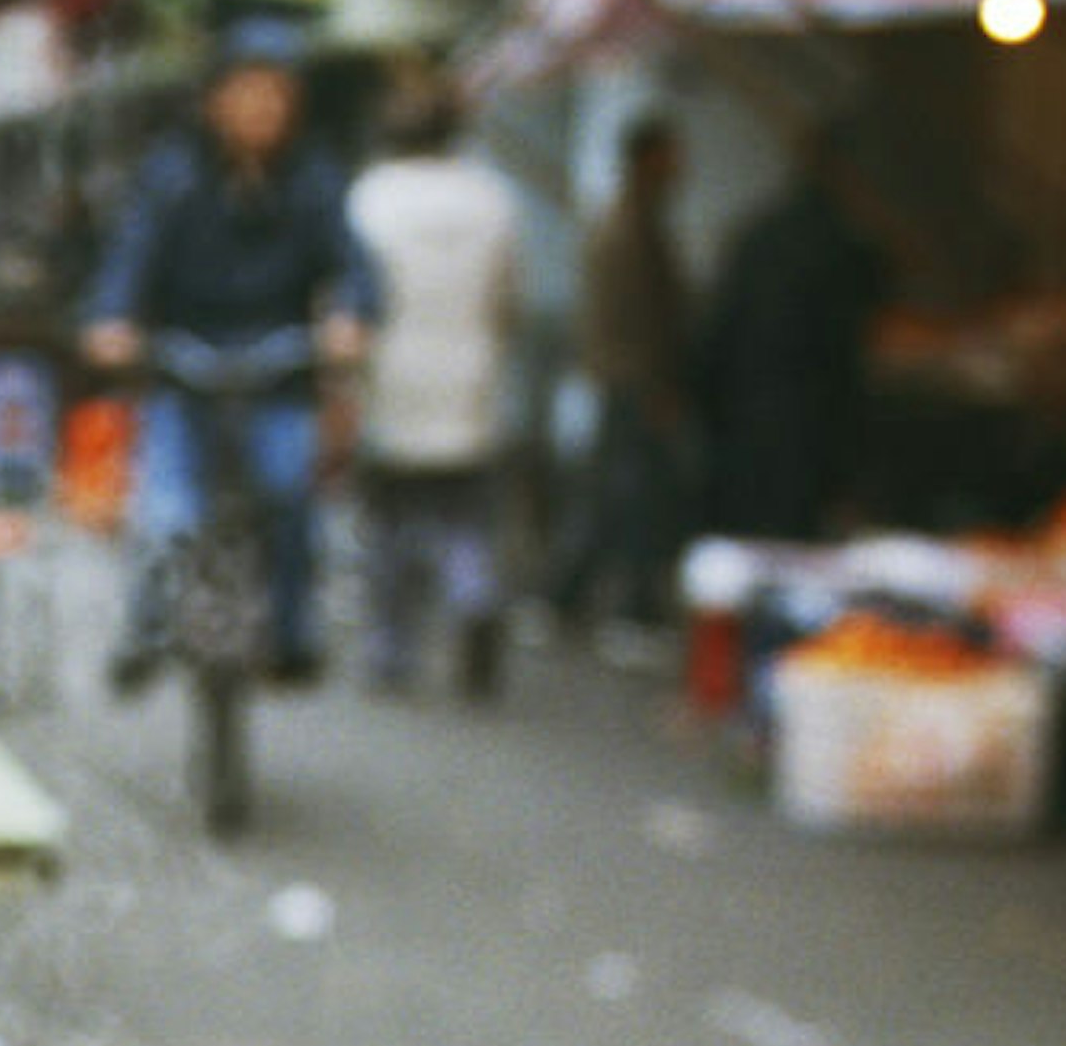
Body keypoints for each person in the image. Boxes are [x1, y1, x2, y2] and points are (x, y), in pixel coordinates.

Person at [82, 18, 375, 688]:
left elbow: (355, 268)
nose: (261, 109)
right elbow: (130, 259)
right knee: (164, 514)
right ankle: (145, 625)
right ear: (215, 100)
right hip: (184, 370)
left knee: (291, 494)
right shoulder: (172, 175)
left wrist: (352, 317)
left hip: (278, 372)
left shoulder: (314, 181)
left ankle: (294, 632)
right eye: (247, 92)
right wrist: (111, 319)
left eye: (275, 95)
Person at [345, 56, 524, 696]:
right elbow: (508, 301)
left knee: (389, 526)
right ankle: (472, 596)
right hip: (470, 377)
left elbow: (348, 304)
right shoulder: (492, 197)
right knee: (465, 518)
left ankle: (391, 653)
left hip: (392, 382)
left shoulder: (371, 198)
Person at [555, 109, 697, 660]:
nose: (680, 166)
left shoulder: (631, 219)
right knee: (628, 493)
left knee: (621, 491)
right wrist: (657, 383)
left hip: (624, 375)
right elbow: (640, 315)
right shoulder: (628, 226)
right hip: (631, 377)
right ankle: (623, 603)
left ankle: (573, 594)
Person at [697, 145, 883, 548]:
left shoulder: (754, 236)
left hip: (743, 421)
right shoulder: (840, 247)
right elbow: (843, 357)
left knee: (745, 543)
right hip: (803, 425)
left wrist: (710, 416)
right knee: (790, 546)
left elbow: (717, 333)